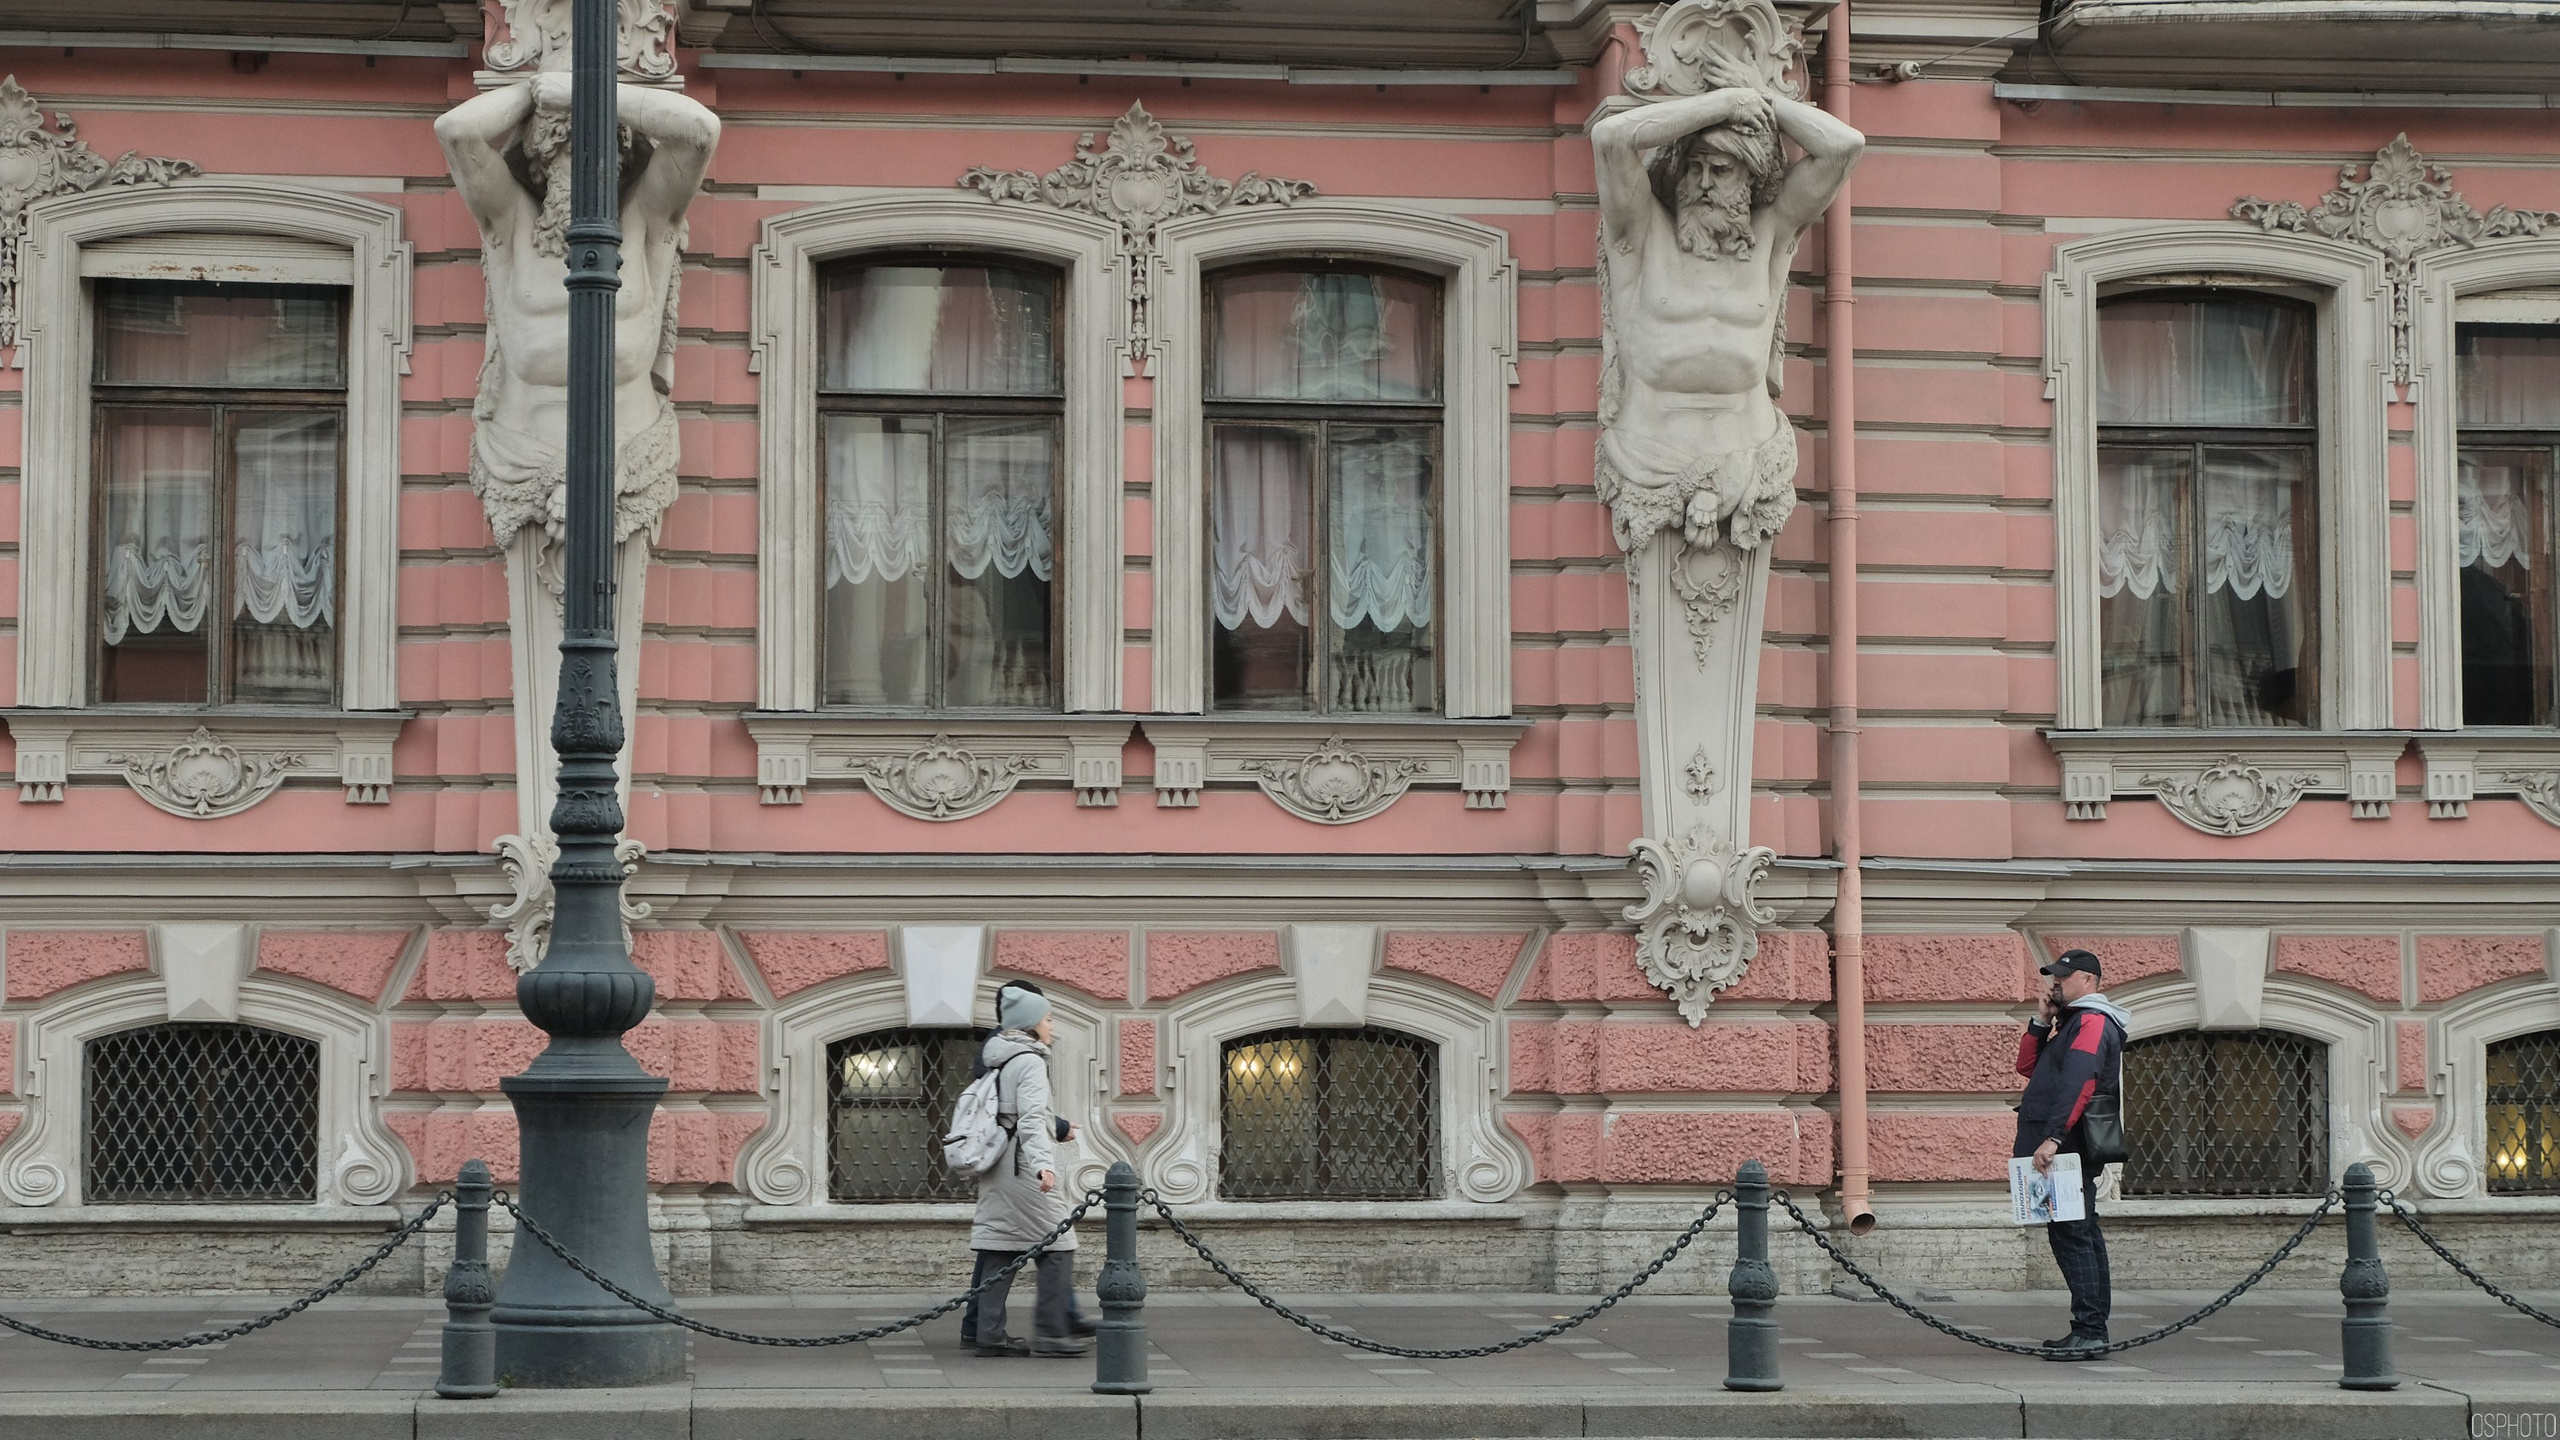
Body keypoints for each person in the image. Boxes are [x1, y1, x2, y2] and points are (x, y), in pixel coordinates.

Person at [958, 981, 1094, 1347]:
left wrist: (1056, 1129)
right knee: (1059, 1243)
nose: (1051, 1027)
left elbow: (1012, 1113)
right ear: (1031, 1023)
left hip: (998, 1164)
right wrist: (1042, 1166)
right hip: (1022, 1166)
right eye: (1048, 1019)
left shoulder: (998, 1058)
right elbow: (1031, 1121)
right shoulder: (1030, 1061)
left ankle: (985, 1334)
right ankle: (1051, 1333)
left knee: (1000, 1246)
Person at [2014, 948, 2132, 1359]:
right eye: (2054, 976)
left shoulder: (2093, 1022)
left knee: (2073, 1235)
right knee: (2078, 1232)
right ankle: (2089, 1326)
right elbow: (2029, 1068)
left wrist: (2054, 1138)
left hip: (2068, 1148)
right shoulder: (2071, 1022)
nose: (2055, 982)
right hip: (2064, 1145)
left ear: (2088, 980)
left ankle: (2089, 1329)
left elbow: (2079, 1084)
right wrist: (2040, 1021)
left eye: (2064, 976)